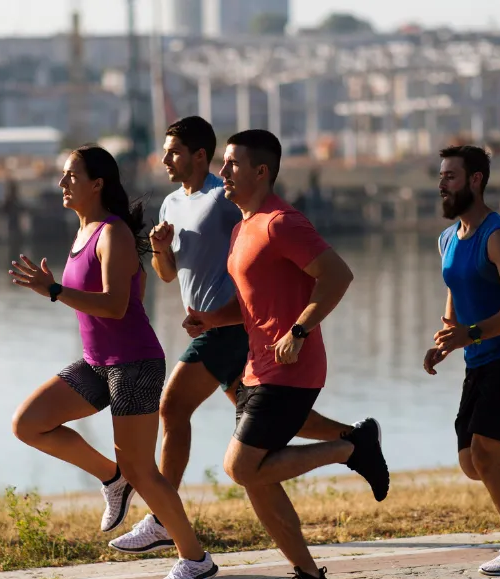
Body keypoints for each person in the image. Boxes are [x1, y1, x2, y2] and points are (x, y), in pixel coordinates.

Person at [109, 116, 356, 555]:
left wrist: (292, 318)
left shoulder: (223, 198)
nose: (165, 160)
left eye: (174, 152)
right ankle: (356, 438)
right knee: (272, 421)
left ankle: (162, 517)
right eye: (165, 152)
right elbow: (166, 275)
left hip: (234, 327)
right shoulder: (171, 205)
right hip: (212, 325)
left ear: (199, 155)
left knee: (173, 407)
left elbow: (265, 230)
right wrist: (161, 249)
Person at [183, 129, 390, 579]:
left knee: (240, 467)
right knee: (258, 480)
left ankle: (351, 447)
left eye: (232, 164)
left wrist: (299, 330)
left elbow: (337, 275)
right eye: (223, 163)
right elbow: (253, 304)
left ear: (261, 171)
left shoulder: (281, 223)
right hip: (257, 367)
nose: (222, 172)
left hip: (291, 366)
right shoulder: (243, 227)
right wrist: (212, 319)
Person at [8, 145, 218, 579]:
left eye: (71, 176)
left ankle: (194, 559)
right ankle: (112, 478)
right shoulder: (85, 232)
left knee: (144, 470)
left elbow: (117, 305)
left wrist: (54, 290)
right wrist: (57, 289)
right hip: (97, 363)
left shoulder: (113, 233)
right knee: (29, 423)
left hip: (134, 364)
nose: (62, 183)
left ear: (97, 183)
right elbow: (118, 299)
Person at [423, 145, 500, 576]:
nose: (442, 184)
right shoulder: (448, 238)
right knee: (472, 463)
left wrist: (471, 333)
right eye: (441, 176)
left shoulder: (498, 237)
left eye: (450, 176)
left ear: (475, 180)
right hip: (479, 362)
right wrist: (447, 336)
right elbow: (456, 287)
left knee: (486, 458)